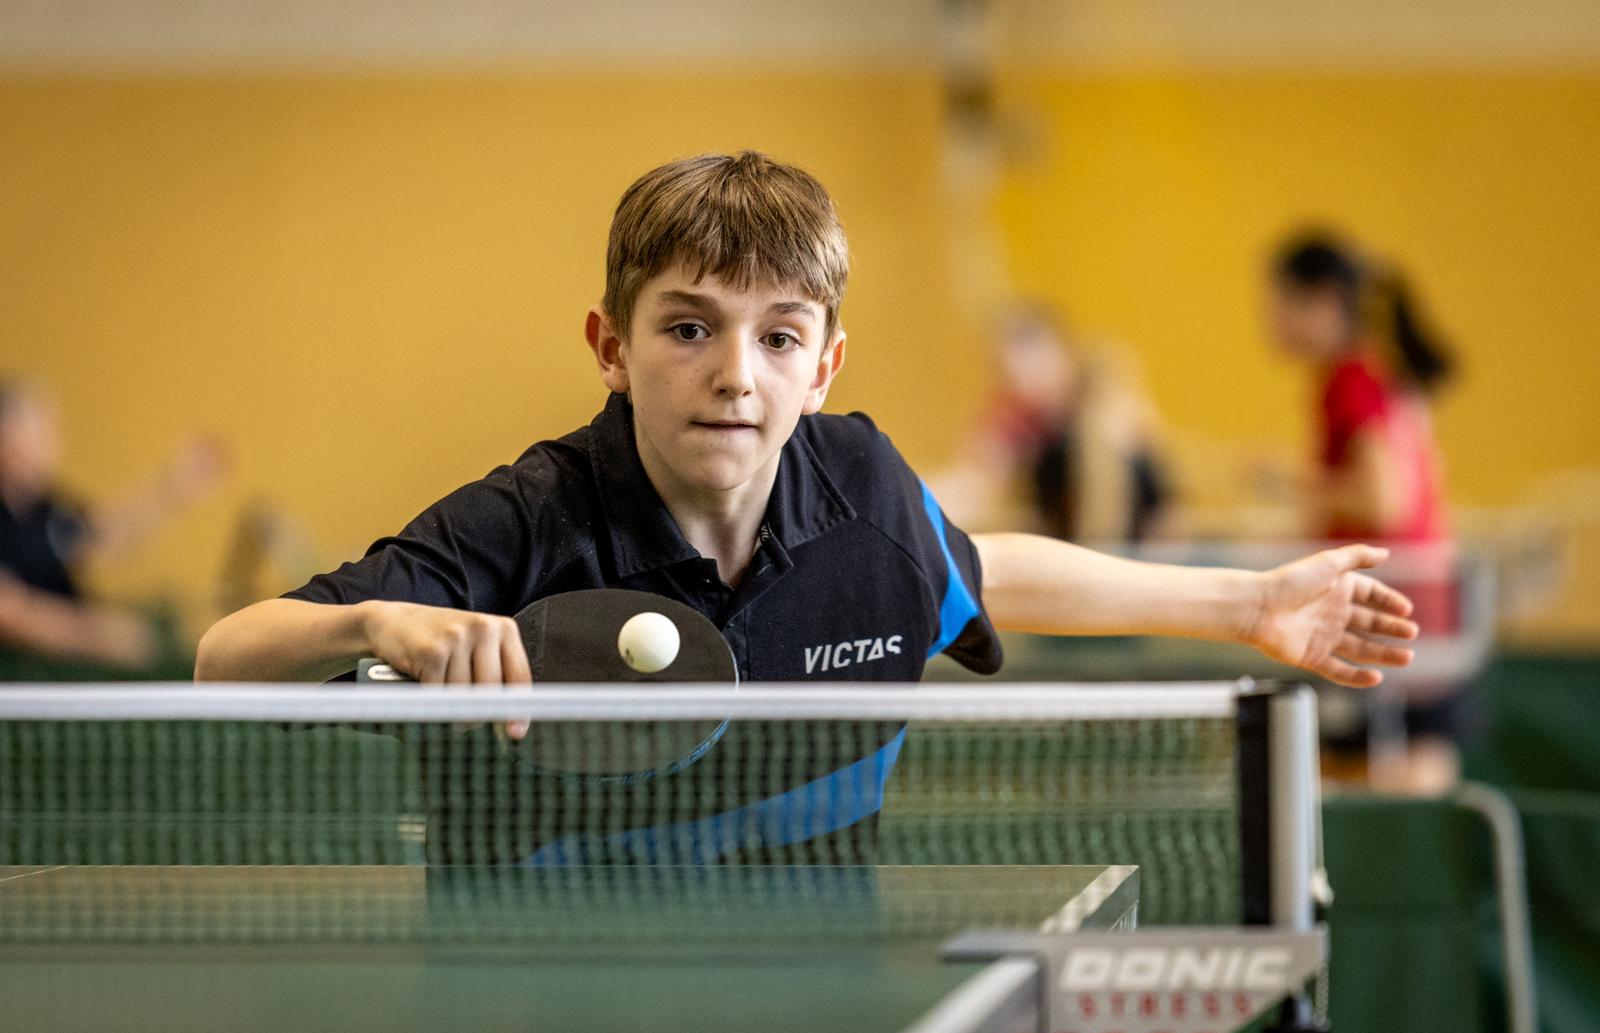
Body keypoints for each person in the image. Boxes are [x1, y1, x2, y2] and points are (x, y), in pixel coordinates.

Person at [197, 153, 1417, 862]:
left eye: (778, 337)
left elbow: (972, 571)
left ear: (824, 365)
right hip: (544, 1007)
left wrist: (1247, 604)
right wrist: (372, 623)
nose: (736, 375)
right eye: (688, 329)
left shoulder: (864, 490)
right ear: (610, 347)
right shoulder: (524, 520)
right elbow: (224, 660)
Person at [1267, 230, 1461, 791]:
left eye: (1279, 303)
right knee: (1416, 759)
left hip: (1396, 604)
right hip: (1417, 603)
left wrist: (1289, 481)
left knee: (1387, 771)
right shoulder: (1377, 371)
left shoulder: (1350, 378)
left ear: (1323, 300)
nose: (1271, 320)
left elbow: (1385, 500)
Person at [0, 379, 227, 674]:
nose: (50, 443)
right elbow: (9, 612)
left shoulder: (45, 508)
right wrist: (97, 636)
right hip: (22, 673)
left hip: (66, 668)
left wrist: (172, 488)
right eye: (38, 430)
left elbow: (100, 539)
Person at [933, 303, 1172, 544]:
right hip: (1068, 531)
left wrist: (1095, 549)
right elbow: (976, 480)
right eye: (1006, 369)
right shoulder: (1017, 414)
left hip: (1137, 533)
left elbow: (1113, 488)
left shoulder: (1101, 395)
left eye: (1029, 362)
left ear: (1062, 351)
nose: (1020, 380)